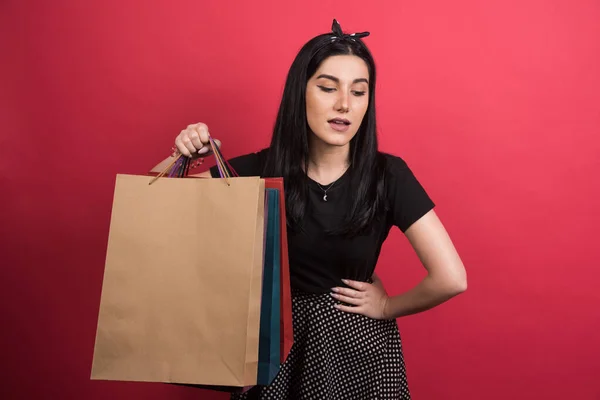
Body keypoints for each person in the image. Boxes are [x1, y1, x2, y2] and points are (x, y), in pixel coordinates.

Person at [152, 19, 466, 400]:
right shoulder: (258, 169)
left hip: (356, 353)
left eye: (359, 91)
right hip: (275, 349)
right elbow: (159, 211)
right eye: (328, 87)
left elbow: (452, 277)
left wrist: (386, 307)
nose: (344, 104)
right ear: (300, 92)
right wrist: (186, 156)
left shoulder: (388, 175)